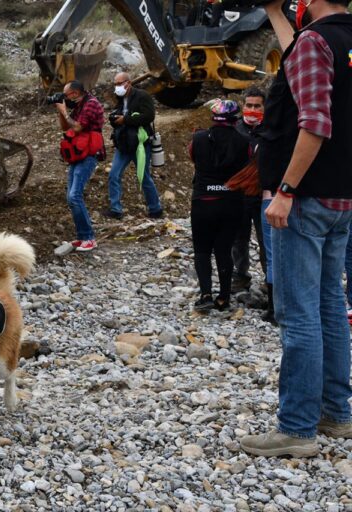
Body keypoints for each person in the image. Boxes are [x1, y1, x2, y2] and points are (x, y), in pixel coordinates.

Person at [240, 0, 352, 458]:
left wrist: (285, 188)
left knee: (300, 313)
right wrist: (273, 11)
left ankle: (297, 427)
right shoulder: (338, 40)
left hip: (304, 199)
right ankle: (336, 413)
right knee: (330, 305)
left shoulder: (316, 42)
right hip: (341, 198)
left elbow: (315, 124)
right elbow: (299, 59)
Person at [189, 99, 250, 312]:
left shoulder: (198, 138)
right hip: (232, 202)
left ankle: (206, 294)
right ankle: (224, 297)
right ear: (235, 118)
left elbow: (193, 157)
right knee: (224, 250)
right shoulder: (244, 141)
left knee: (202, 250)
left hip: (203, 201)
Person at [54, 80, 105, 252]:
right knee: (70, 197)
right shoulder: (79, 105)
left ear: (75, 93)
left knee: (75, 195)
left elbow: (76, 127)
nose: (66, 98)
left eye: (66, 95)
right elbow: (64, 126)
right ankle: (82, 236)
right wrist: (62, 113)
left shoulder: (91, 104)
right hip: (78, 154)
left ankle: (89, 238)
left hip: (89, 154)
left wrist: (64, 112)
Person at [105, 71, 163, 220]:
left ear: (128, 83)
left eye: (119, 84)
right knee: (113, 175)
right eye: (115, 84)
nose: (117, 87)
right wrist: (115, 119)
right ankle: (115, 209)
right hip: (123, 143)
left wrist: (126, 120)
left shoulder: (142, 96)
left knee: (143, 177)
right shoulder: (119, 98)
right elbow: (118, 115)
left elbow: (149, 116)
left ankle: (155, 209)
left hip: (140, 144)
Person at [231, 88, 267, 293]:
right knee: (238, 239)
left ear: (265, 107)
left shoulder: (271, 131)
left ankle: (269, 278)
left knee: (266, 241)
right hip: (239, 196)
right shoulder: (234, 129)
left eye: (257, 106)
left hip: (264, 196)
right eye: (249, 105)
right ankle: (240, 275)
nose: (252, 109)